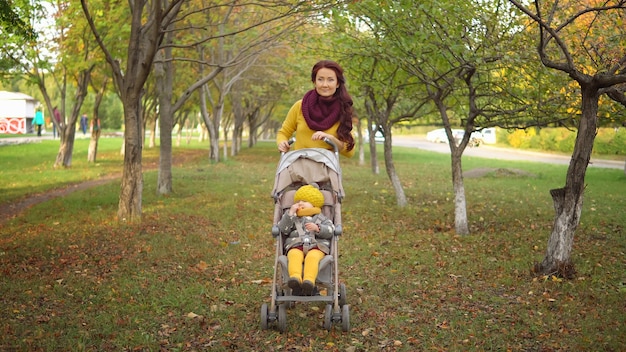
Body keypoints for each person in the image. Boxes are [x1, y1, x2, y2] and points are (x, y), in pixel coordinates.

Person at [277, 60, 356, 158]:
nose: (325, 84)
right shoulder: (300, 106)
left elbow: (350, 152)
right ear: (314, 81)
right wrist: (282, 143)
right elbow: (283, 133)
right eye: (320, 79)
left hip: (325, 169)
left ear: (338, 83)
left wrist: (331, 139)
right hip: (299, 167)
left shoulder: (344, 110)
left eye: (330, 80)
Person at [277, 184, 334, 296]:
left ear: (314, 204)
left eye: (304, 201)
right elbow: (283, 229)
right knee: (293, 255)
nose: (300, 203)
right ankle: (295, 279)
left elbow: (330, 230)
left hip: (317, 246)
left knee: (312, 257)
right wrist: (290, 214)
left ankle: (309, 281)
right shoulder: (293, 217)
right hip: (296, 244)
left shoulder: (321, 218)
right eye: (298, 201)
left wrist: (318, 228)